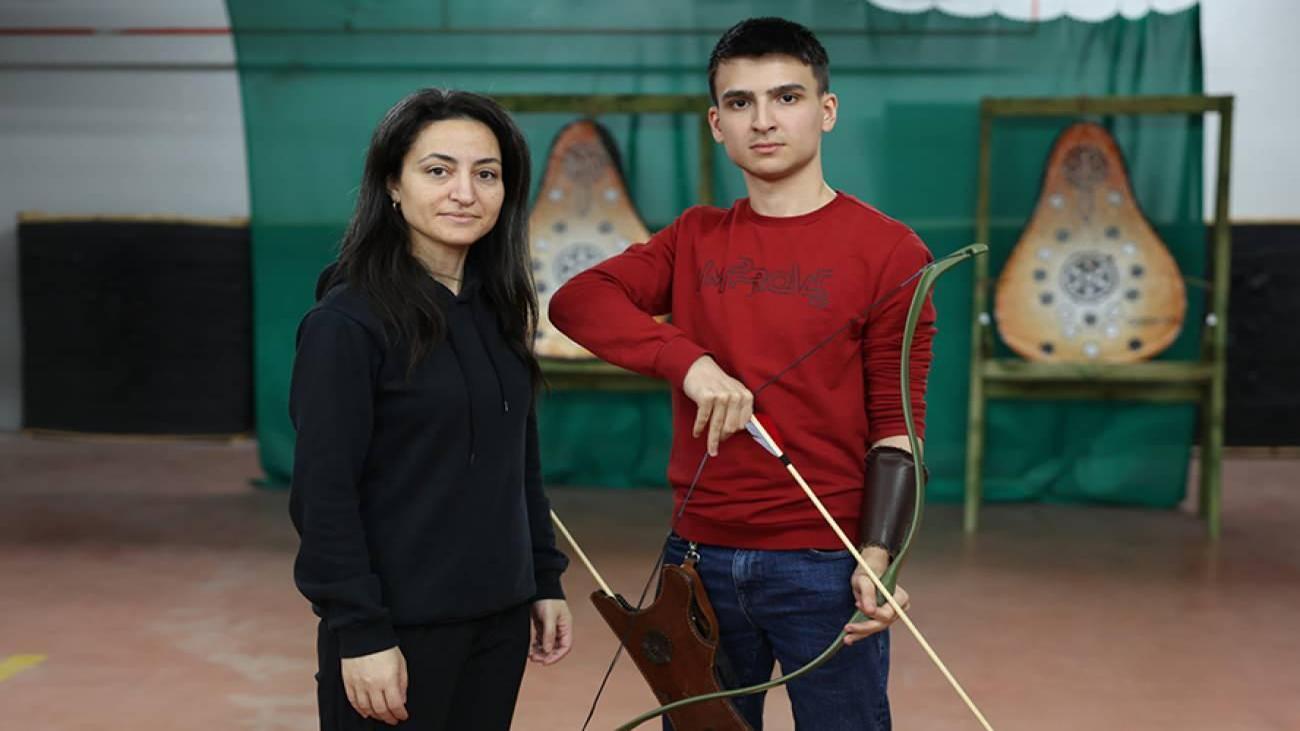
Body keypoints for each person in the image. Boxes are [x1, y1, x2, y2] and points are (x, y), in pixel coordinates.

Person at [549, 17, 935, 730]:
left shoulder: (892, 252)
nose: (763, 120)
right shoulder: (693, 237)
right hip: (697, 561)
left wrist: (880, 554)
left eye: (786, 97)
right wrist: (689, 362)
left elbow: (897, 427)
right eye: (739, 102)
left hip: (827, 564)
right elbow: (577, 301)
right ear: (716, 124)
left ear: (826, 110)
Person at [289, 88, 572, 730]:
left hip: (498, 624)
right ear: (393, 184)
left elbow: (518, 463)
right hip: (396, 632)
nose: (464, 193)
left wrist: (542, 578)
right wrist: (359, 631)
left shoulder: (499, 312)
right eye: (438, 170)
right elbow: (324, 495)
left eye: (486, 174)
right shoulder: (346, 324)